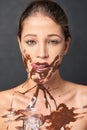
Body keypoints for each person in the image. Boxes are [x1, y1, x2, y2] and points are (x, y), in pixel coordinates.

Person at [0, 0, 87, 130]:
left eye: (53, 41)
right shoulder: (2, 105)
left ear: (66, 45)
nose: (42, 54)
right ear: (20, 43)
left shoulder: (84, 102)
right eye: (31, 42)